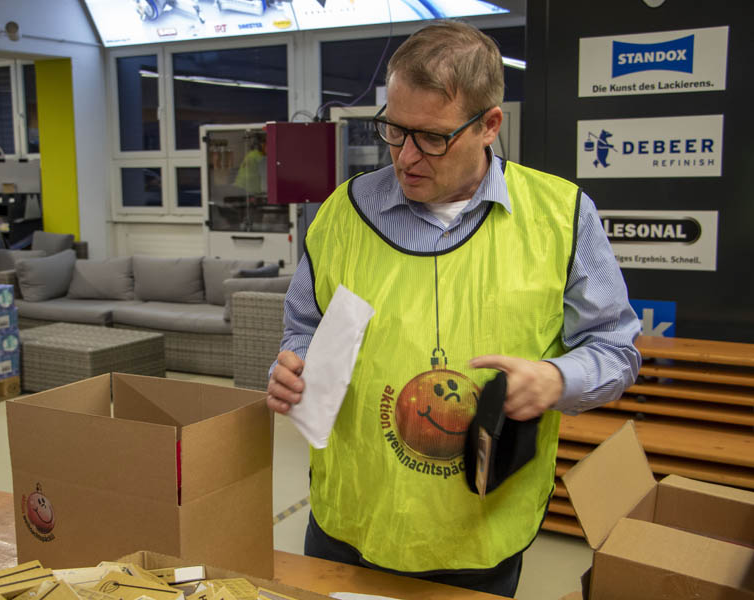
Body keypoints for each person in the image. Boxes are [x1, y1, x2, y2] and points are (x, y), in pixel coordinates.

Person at [267, 21, 641, 598]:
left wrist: (556, 378)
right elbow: (304, 327)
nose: (406, 157)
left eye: (432, 138)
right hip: (353, 519)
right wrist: (292, 365)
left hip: (478, 532)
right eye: (394, 130)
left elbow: (616, 350)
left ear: (489, 125)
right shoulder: (344, 212)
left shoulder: (561, 217)